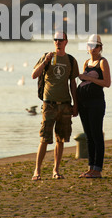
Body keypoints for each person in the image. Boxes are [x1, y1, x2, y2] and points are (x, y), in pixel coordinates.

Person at [31, 31, 79, 181]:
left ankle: (56, 170)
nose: (58, 42)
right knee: (44, 138)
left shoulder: (71, 60)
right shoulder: (47, 57)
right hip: (49, 104)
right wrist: (45, 61)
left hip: (65, 104)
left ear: (66, 41)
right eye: (55, 39)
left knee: (61, 139)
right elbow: (34, 75)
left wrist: (75, 104)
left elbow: (73, 84)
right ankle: (37, 171)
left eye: (60, 40)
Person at [77, 34, 111, 178]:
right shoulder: (86, 63)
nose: (93, 49)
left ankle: (98, 169)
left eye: (96, 46)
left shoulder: (103, 62)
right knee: (88, 136)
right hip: (83, 103)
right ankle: (91, 168)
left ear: (100, 48)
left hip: (96, 103)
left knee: (97, 135)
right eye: (90, 46)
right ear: (87, 47)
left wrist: (88, 77)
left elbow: (107, 83)